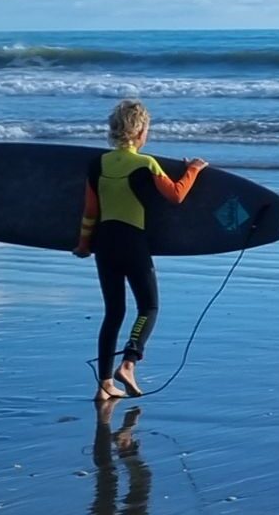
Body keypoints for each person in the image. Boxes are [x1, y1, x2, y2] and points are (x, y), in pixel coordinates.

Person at [75, 98, 207, 403]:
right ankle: (129, 363)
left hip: (104, 243)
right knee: (149, 307)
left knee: (113, 312)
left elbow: (90, 211)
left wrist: (83, 245)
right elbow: (175, 196)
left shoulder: (98, 164)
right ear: (140, 131)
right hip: (133, 241)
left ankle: (104, 384)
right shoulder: (145, 164)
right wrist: (194, 170)